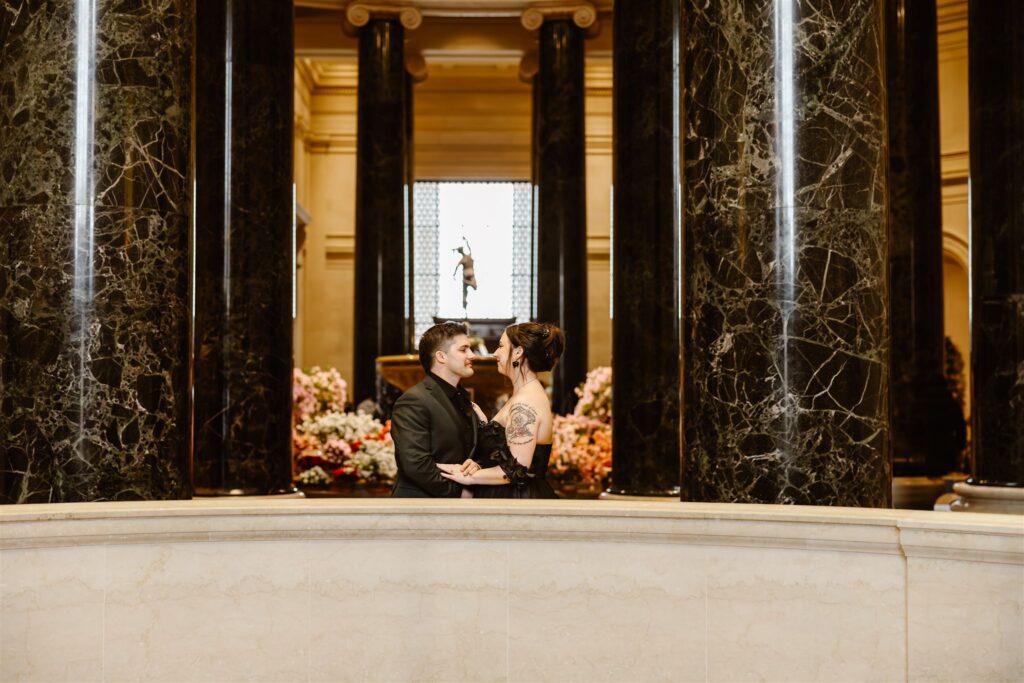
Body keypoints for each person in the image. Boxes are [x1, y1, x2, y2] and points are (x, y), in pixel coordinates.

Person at [437, 322, 565, 499]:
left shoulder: (524, 402)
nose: (495, 353)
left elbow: (516, 469)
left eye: (501, 346)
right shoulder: (524, 394)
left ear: (518, 352)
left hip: (517, 499)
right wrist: (486, 425)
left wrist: (465, 476)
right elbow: (505, 446)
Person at [390, 322, 480, 497]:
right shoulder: (413, 400)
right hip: (420, 505)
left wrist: (476, 465)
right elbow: (415, 463)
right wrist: (459, 492)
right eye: (464, 349)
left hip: (454, 507)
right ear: (441, 357)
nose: (472, 355)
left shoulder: (463, 397)